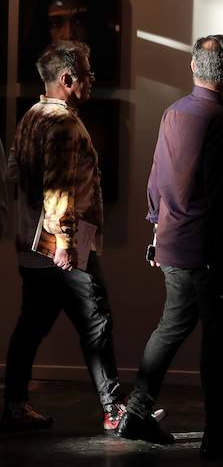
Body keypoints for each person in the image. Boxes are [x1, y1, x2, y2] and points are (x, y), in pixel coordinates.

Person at [117, 35, 223, 459]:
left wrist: (156, 230)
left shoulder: (173, 113)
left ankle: (136, 412)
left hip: (172, 244)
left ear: (193, 68)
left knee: (171, 327)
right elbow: (221, 197)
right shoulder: (219, 121)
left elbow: (156, 179)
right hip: (206, 251)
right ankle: (217, 433)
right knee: (217, 339)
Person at [1, 41, 125, 433]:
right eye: (87, 75)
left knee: (32, 324)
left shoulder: (31, 116)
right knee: (96, 322)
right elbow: (59, 188)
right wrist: (66, 242)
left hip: (30, 245)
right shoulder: (65, 123)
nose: (91, 81)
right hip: (63, 248)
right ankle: (113, 410)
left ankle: (15, 405)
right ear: (67, 79)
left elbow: (13, 174)